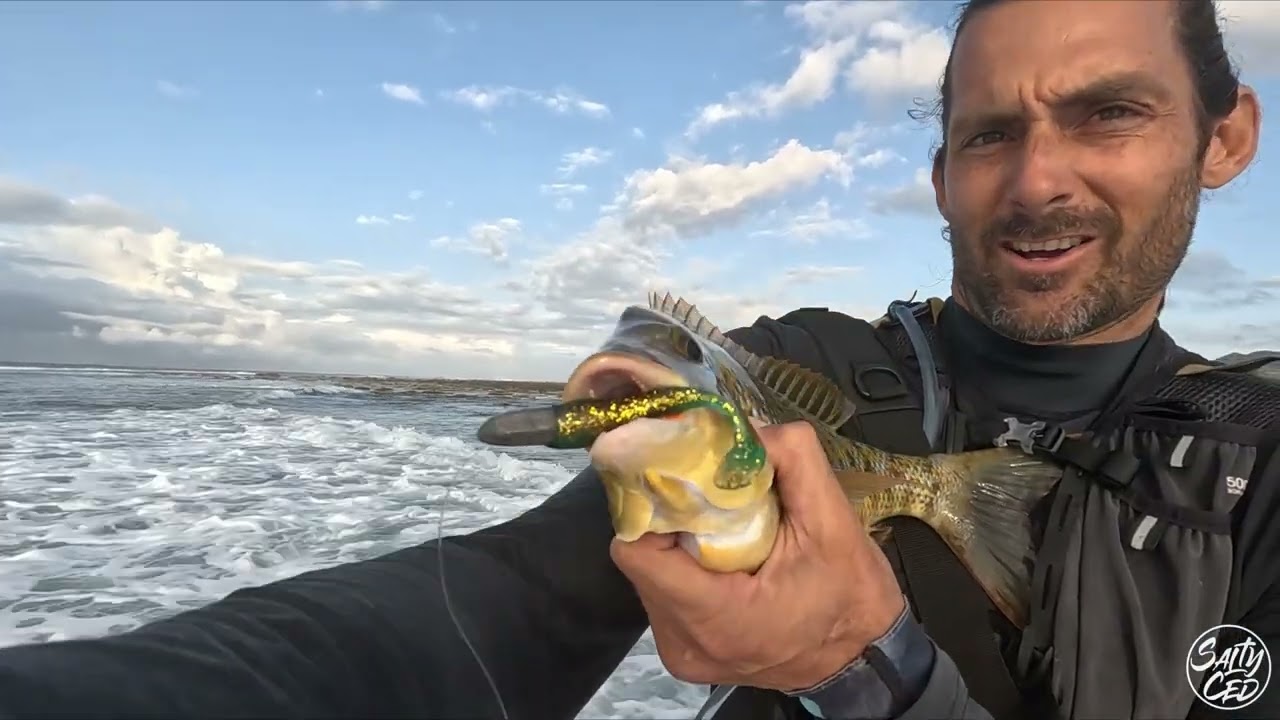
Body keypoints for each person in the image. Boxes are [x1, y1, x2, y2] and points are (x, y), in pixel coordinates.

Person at [0, 0, 1276, 718]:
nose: (1036, 180)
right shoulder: (809, 369)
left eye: (1108, 112)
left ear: (1223, 137)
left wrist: (868, 665)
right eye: (989, 134)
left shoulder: (1260, 474)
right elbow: (500, 598)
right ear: (939, 176)